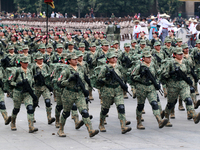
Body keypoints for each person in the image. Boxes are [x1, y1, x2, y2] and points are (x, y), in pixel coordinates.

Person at [57, 53, 99, 137]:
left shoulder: (80, 69)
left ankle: (90, 130)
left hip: (79, 94)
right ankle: (60, 129)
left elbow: (84, 80)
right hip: (68, 94)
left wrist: (86, 89)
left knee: (84, 111)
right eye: (74, 59)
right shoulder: (65, 70)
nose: (76, 60)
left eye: (77, 59)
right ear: (69, 61)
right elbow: (60, 83)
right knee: (66, 113)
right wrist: (69, 80)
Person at [160, 47, 200, 127]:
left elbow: (188, 71)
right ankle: (166, 117)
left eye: (182, 54)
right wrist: (172, 73)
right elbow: (164, 74)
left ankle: (194, 116)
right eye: (179, 54)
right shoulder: (170, 63)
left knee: (188, 99)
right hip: (173, 86)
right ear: (174, 55)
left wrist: (190, 79)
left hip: (183, 84)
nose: (181, 55)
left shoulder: (185, 62)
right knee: (171, 103)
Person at [130, 50, 168, 129]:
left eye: (150, 57)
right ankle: (139, 122)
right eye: (147, 57)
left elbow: (157, 75)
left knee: (154, 103)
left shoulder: (153, 65)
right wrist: (140, 76)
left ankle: (159, 120)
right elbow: (132, 77)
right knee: (140, 106)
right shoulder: (139, 66)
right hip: (141, 88)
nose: (149, 58)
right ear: (143, 58)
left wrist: (157, 83)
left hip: (151, 88)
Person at [97, 52, 132, 134]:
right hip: (108, 90)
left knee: (121, 107)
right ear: (108, 59)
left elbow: (122, 77)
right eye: (112, 57)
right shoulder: (104, 68)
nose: (114, 59)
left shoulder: (119, 67)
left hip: (118, 90)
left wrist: (124, 85)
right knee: (105, 109)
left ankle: (123, 126)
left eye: (115, 57)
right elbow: (99, 80)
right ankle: (101, 124)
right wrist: (106, 78)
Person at [9, 56, 38, 133]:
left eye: (27, 63)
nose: (26, 64)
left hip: (27, 93)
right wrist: (17, 84)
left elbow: (32, 82)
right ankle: (13, 122)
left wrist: (33, 93)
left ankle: (31, 126)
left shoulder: (30, 71)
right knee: (16, 109)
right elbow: (10, 81)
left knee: (30, 108)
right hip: (18, 92)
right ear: (21, 62)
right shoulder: (16, 71)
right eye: (24, 63)